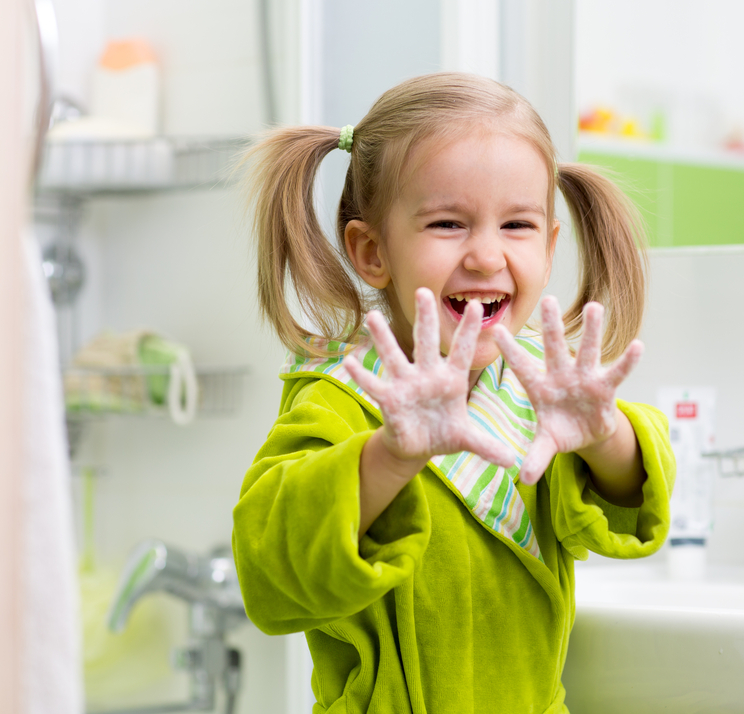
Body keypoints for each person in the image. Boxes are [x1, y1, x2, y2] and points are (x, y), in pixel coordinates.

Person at [232, 72, 675, 714]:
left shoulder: (543, 401)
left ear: (550, 250)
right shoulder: (342, 397)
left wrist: (606, 436)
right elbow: (269, 564)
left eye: (517, 225)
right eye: (447, 224)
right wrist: (389, 455)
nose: (487, 256)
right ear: (372, 251)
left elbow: (637, 494)